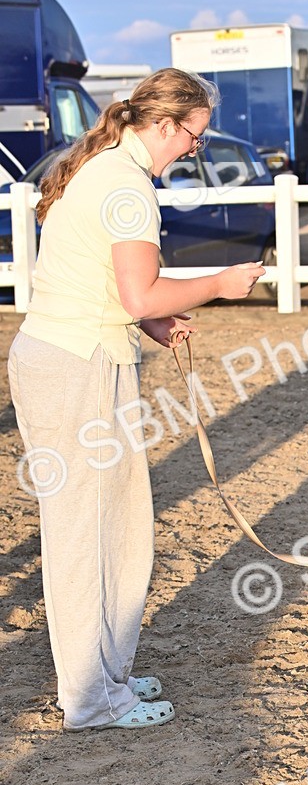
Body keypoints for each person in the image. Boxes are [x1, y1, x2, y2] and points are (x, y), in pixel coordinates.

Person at [7, 67, 265, 731]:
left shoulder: (103, 169)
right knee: (89, 534)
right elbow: (140, 293)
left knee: (109, 526)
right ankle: (93, 698)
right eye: (195, 137)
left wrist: (149, 322)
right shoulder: (124, 185)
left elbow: (108, 286)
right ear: (165, 123)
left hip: (77, 357)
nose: (193, 149)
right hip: (77, 368)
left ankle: (102, 676)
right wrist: (220, 283)